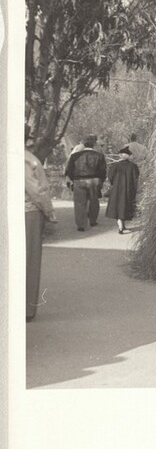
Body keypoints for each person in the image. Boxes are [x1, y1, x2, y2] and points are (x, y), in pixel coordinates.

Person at [25, 125, 57, 322]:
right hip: (28, 212)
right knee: (30, 259)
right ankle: (26, 308)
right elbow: (36, 190)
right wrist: (49, 211)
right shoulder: (27, 159)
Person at [64, 134, 107, 231]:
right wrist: (101, 181)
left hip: (79, 180)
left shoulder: (75, 156)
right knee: (94, 201)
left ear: (83, 143)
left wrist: (73, 179)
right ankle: (93, 220)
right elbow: (103, 170)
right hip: (94, 180)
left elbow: (69, 169)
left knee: (79, 203)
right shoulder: (99, 156)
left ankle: (81, 224)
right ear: (94, 144)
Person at [105, 146, 140, 234]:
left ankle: (121, 226)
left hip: (117, 189)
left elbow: (110, 177)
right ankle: (122, 225)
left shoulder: (115, 165)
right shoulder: (133, 166)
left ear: (120, 156)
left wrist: (113, 184)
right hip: (129, 189)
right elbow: (136, 178)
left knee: (118, 207)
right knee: (125, 206)